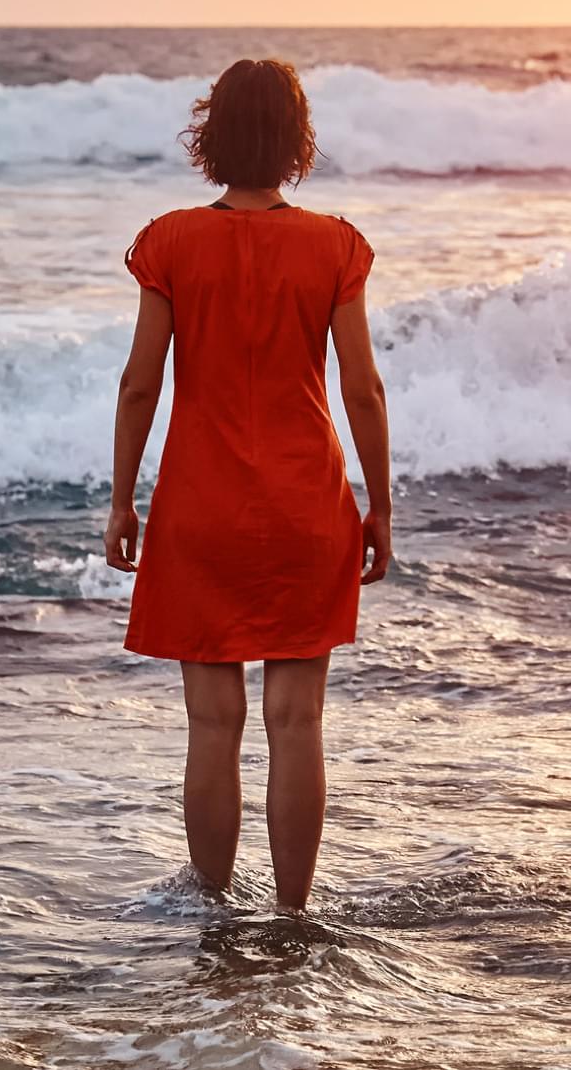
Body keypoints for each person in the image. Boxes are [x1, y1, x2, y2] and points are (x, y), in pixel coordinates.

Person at [104, 58, 393, 915]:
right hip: (308, 505)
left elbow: (138, 386)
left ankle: (213, 914)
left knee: (212, 727)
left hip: (201, 508)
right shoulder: (334, 245)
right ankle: (295, 917)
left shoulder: (170, 241)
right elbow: (363, 389)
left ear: (212, 135)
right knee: (298, 724)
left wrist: (122, 500)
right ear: (297, 142)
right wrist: (379, 504)